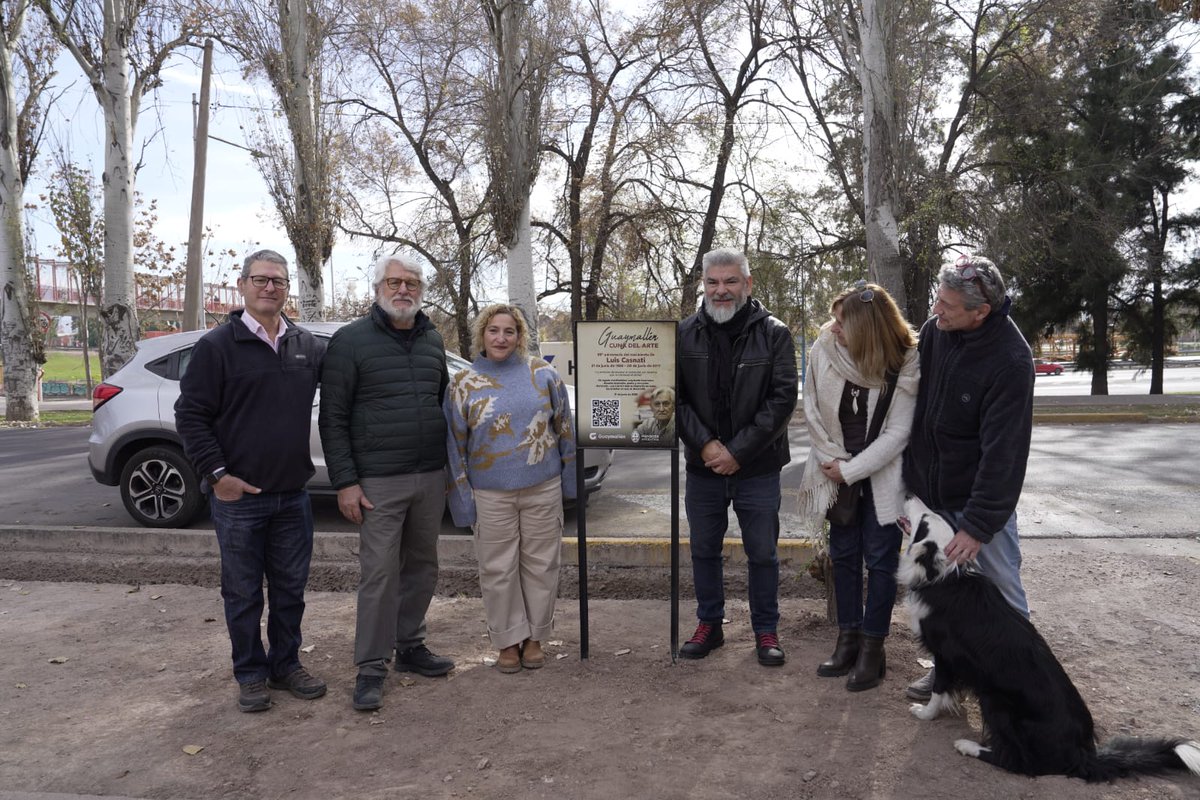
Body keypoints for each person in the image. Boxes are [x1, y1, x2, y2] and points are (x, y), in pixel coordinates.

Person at [175, 248, 327, 713]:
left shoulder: (305, 345)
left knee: (289, 591)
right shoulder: (217, 347)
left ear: (287, 290)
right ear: (242, 285)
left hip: (292, 496)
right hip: (238, 499)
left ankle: (285, 665)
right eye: (260, 279)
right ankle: (250, 673)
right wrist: (217, 476)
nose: (270, 287)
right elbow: (191, 415)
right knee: (242, 593)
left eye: (278, 281)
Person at [318, 253, 455, 712]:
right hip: (377, 482)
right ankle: (371, 665)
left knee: (423, 567)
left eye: (412, 283)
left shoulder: (433, 339)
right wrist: (346, 482)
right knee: (379, 574)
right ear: (377, 288)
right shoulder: (350, 341)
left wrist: (447, 473)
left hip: (429, 476)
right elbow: (333, 417)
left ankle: (410, 646)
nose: (403, 290)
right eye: (394, 282)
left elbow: (440, 405)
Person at [901, 254, 1035, 701]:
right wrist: (910, 491)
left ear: (982, 312)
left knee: (1001, 595)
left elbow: (1004, 455)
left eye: (948, 306)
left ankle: (1019, 686)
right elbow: (916, 415)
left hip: (978, 504)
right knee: (943, 597)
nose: (937, 311)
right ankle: (949, 675)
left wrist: (977, 526)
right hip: (933, 496)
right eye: (938, 300)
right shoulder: (936, 332)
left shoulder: (1012, 361)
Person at [676, 248, 798, 666]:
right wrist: (707, 446)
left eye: (730, 281)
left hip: (757, 468)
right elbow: (670, 399)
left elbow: (782, 400)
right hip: (703, 467)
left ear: (747, 284)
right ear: (704, 286)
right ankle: (710, 625)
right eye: (713, 282)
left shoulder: (775, 333)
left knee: (762, 553)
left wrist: (738, 452)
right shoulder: (683, 333)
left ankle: (766, 629)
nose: (721, 290)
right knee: (703, 550)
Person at [798, 281, 919, 691]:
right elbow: (810, 407)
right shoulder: (823, 350)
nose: (833, 329)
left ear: (867, 330)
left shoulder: (904, 362)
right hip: (833, 471)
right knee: (844, 557)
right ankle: (847, 639)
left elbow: (899, 432)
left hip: (879, 477)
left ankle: (873, 648)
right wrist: (830, 458)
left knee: (882, 564)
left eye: (841, 323)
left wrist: (851, 470)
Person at [443, 304, 576, 674]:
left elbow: (564, 428)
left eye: (509, 331)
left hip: (542, 488)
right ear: (482, 335)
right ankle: (507, 641)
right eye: (493, 331)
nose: (501, 338)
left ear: (520, 336)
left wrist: (568, 482)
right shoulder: (463, 383)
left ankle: (535, 637)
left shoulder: (543, 374)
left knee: (541, 565)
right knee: (498, 569)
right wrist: (463, 501)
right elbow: (454, 446)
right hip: (490, 494)